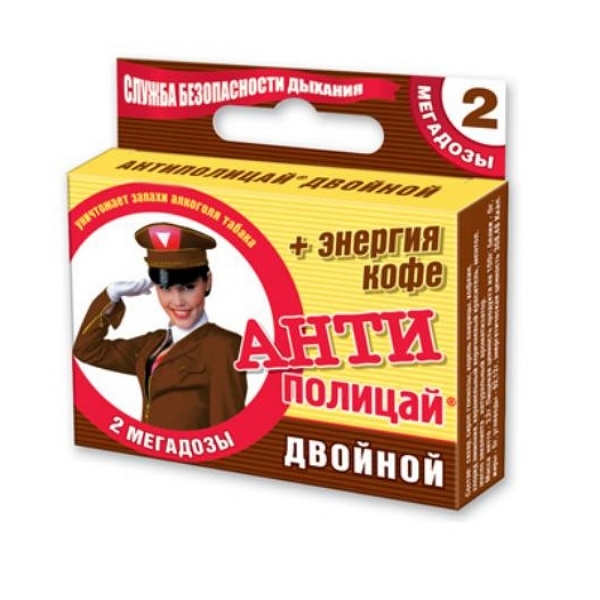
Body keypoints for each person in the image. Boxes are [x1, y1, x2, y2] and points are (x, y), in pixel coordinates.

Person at [73, 222, 247, 430]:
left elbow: (228, 430)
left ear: (207, 282)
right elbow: (86, 350)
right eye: (165, 288)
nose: (178, 301)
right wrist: (111, 294)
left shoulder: (224, 346)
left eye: (188, 287)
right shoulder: (152, 344)